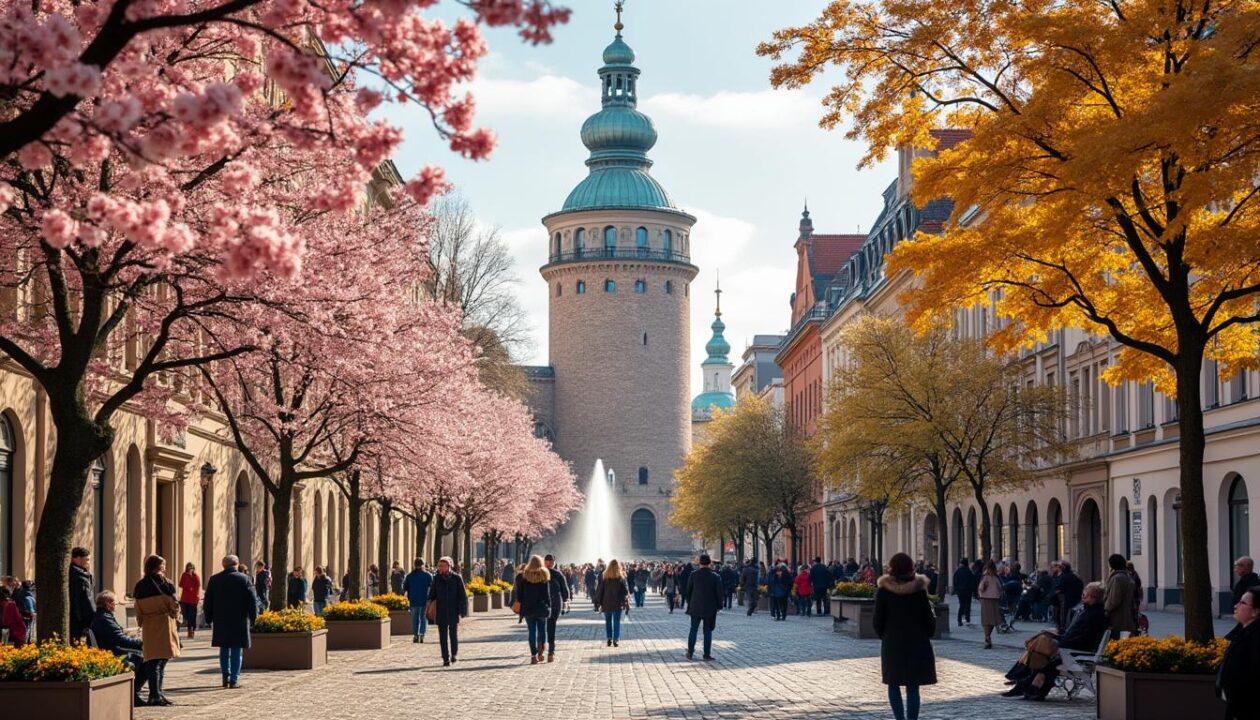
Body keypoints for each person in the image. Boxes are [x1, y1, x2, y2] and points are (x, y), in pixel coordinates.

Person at [1002, 582, 1109, 700]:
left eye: (1084, 595)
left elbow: (1084, 637)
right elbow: (1075, 632)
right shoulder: (1089, 611)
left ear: (1093, 597)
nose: (1082, 597)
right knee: (1041, 645)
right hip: (1071, 646)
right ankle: (1027, 684)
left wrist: (1060, 640)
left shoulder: (1094, 614)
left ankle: (1024, 681)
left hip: (1076, 650)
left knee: (1042, 650)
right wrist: (1060, 634)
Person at [874, 553, 937, 720]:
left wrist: (886, 636)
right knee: (913, 686)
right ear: (911, 568)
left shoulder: (883, 592)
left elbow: (877, 621)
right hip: (917, 643)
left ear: (891, 568)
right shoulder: (919, 592)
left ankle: (899, 719)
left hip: (892, 643)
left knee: (893, 684)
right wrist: (927, 633)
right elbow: (929, 621)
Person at [203, 554, 258, 690]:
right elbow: (252, 600)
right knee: (236, 649)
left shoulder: (214, 579)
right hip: (239, 619)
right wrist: (254, 617)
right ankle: (234, 679)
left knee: (224, 648)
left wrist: (208, 617)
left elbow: (208, 601)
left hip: (221, 619)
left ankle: (225, 676)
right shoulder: (245, 579)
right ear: (237, 564)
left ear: (224, 565)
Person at [133, 554, 180, 707]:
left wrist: (142, 622)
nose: (165, 568)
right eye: (163, 565)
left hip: (148, 625)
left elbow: (137, 609)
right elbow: (174, 606)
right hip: (164, 624)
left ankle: (157, 693)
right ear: (158, 567)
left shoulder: (139, 585)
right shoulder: (166, 583)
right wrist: (176, 614)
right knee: (161, 660)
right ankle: (155, 694)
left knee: (153, 659)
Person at [90, 590, 149, 706]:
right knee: (146, 658)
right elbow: (120, 639)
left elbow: (118, 637)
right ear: (108, 603)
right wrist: (141, 643)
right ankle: (134, 692)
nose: (116, 605)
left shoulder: (102, 616)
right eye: (114, 603)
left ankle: (134, 692)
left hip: (110, 649)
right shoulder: (105, 619)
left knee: (140, 655)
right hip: (111, 653)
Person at [1218, 588, 1260, 720]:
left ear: (1255, 611)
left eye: (1242, 603)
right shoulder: (1242, 632)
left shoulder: (1256, 637)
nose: (1236, 605)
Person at [427, 557, 468, 666]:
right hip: (441, 610)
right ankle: (445, 657)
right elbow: (432, 594)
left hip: (453, 610)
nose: (440, 568)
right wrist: (430, 602)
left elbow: (462, 595)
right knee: (442, 636)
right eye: (439, 565)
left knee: (453, 634)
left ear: (449, 566)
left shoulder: (456, 578)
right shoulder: (436, 578)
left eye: (442, 565)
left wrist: (462, 610)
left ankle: (454, 654)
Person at [513, 555, 552, 664]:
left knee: (532, 632)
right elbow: (546, 595)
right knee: (542, 630)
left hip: (528, 608)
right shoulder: (544, 575)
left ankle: (533, 655)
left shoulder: (524, 576)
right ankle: (541, 650)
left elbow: (519, 596)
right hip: (541, 608)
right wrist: (549, 606)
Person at [684, 554, 723, 661]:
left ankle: (690, 652)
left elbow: (688, 591)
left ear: (700, 562)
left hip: (695, 606)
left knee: (693, 629)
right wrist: (719, 605)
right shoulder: (716, 576)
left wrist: (690, 603)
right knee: (708, 631)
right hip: (710, 608)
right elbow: (719, 593)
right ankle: (706, 654)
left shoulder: (693, 575)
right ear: (709, 563)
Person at [593, 558, 630, 647]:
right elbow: (625, 591)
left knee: (608, 621)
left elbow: (599, 591)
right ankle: (616, 639)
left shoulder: (604, 577)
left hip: (606, 603)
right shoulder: (621, 578)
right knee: (616, 622)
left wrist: (598, 603)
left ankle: (609, 638)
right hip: (617, 603)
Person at [543, 554, 570, 661]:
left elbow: (564, 588)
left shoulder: (554, 574)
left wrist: (566, 600)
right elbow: (564, 589)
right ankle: (548, 650)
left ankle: (546, 648)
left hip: (547, 603)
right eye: (548, 561)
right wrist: (565, 601)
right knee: (549, 626)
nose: (549, 563)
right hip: (551, 603)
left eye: (550, 561)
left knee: (545, 625)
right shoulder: (556, 574)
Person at [1103, 554, 1136, 638]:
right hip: (1126, 615)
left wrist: (1106, 609)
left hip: (1117, 617)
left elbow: (1114, 600)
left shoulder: (1117, 578)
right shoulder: (1127, 576)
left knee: (1117, 638)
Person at [402, 558, 433, 643]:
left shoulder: (409, 576)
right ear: (423, 565)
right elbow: (432, 587)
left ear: (414, 565)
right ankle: (422, 634)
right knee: (423, 618)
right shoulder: (428, 575)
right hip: (424, 600)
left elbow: (404, 588)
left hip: (413, 600)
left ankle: (415, 635)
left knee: (414, 618)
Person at [69, 546, 95, 641]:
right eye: (87, 559)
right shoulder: (80, 576)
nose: (88, 562)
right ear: (77, 558)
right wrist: (93, 616)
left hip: (78, 616)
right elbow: (87, 598)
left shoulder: (82, 574)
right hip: (79, 617)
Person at [978, 560, 1002, 649]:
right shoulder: (994, 577)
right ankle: (987, 638)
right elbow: (1000, 587)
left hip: (986, 599)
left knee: (988, 620)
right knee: (991, 620)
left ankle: (987, 638)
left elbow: (980, 588)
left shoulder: (986, 577)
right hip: (993, 599)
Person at [178, 562, 200, 639]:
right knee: (185, 615)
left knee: (192, 616)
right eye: (188, 567)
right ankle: (189, 629)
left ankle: (191, 631)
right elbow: (180, 584)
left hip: (193, 599)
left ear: (193, 568)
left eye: (191, 567)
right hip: (185, 598)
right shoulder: (184, 575)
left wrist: (191, 577)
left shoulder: (195, 576)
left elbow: (197, 585)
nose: (190, 568)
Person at [952, 558, 975, 627]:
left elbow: (955, 581)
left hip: (960, 591)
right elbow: (972, 581)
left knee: (962, 605)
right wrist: (972, 589)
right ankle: (967, 619)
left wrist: (956, 589)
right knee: (968, 605)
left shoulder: (957, 572)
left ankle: (959, 620)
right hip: (968, 591)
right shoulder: (969, 572)